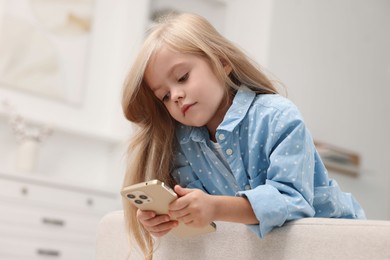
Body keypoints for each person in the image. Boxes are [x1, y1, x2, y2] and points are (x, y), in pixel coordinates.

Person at [121, 12, 365, 259]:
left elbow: (292, 201)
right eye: (164, 95)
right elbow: (201, 214)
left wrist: (214, 207)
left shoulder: (276, 116)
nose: (175, 95)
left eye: (183, 77)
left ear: (222, 62)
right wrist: (167, 215)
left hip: (338, 241)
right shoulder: (183, 145)